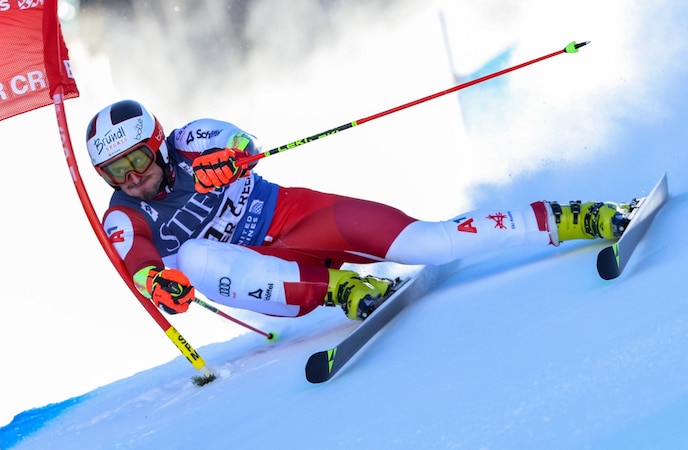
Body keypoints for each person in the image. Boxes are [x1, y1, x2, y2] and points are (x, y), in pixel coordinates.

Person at [85, 99, 632, 321]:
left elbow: (241, 139)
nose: (132, 176)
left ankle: (563, 217)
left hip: (296, 218)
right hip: (269, 280)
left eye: (135, 158)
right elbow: (140, 266)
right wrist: (162, 285)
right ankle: (344, 291)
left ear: (155, 142)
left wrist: (229, 161)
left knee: (428, 243)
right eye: (115, 171)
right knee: (196, 257)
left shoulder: (188, 139)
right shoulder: (122, 214)